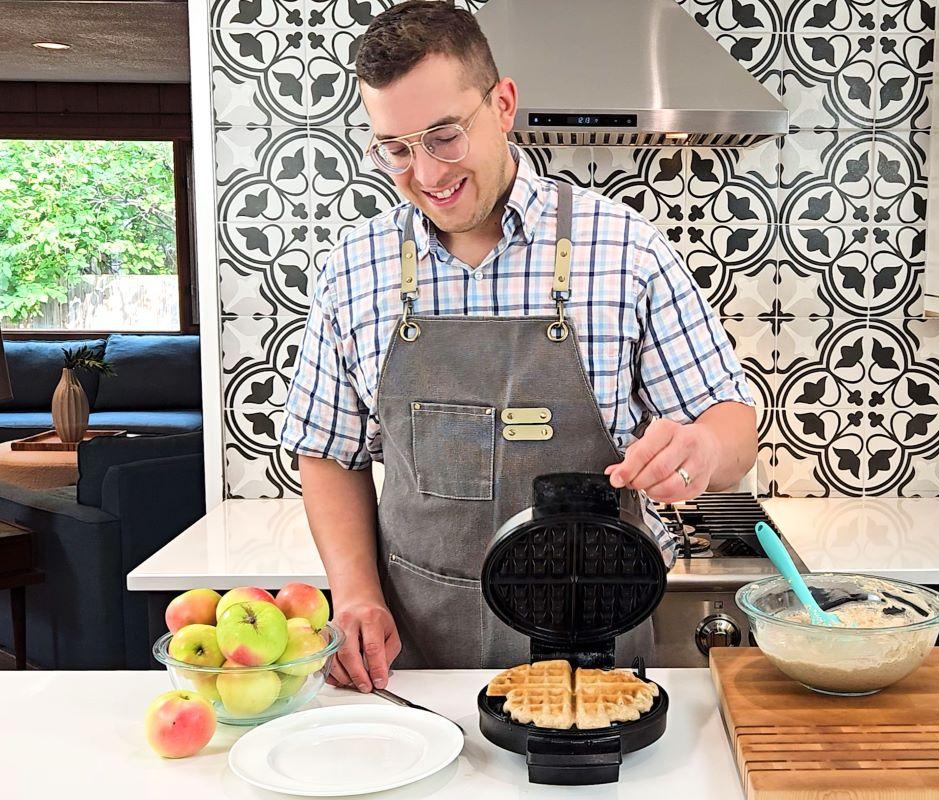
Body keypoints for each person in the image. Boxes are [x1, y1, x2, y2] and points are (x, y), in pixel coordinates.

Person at [280, 0, 756, 692]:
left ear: (502, 105)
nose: (427, 173)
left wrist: (704, 449)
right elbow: (328, 452)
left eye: (444, 135)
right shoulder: (353, 269)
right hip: (414, 660)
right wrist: (355, 594)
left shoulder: (625, 250)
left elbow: (732, 427)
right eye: (396, 149)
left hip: (593, 659)